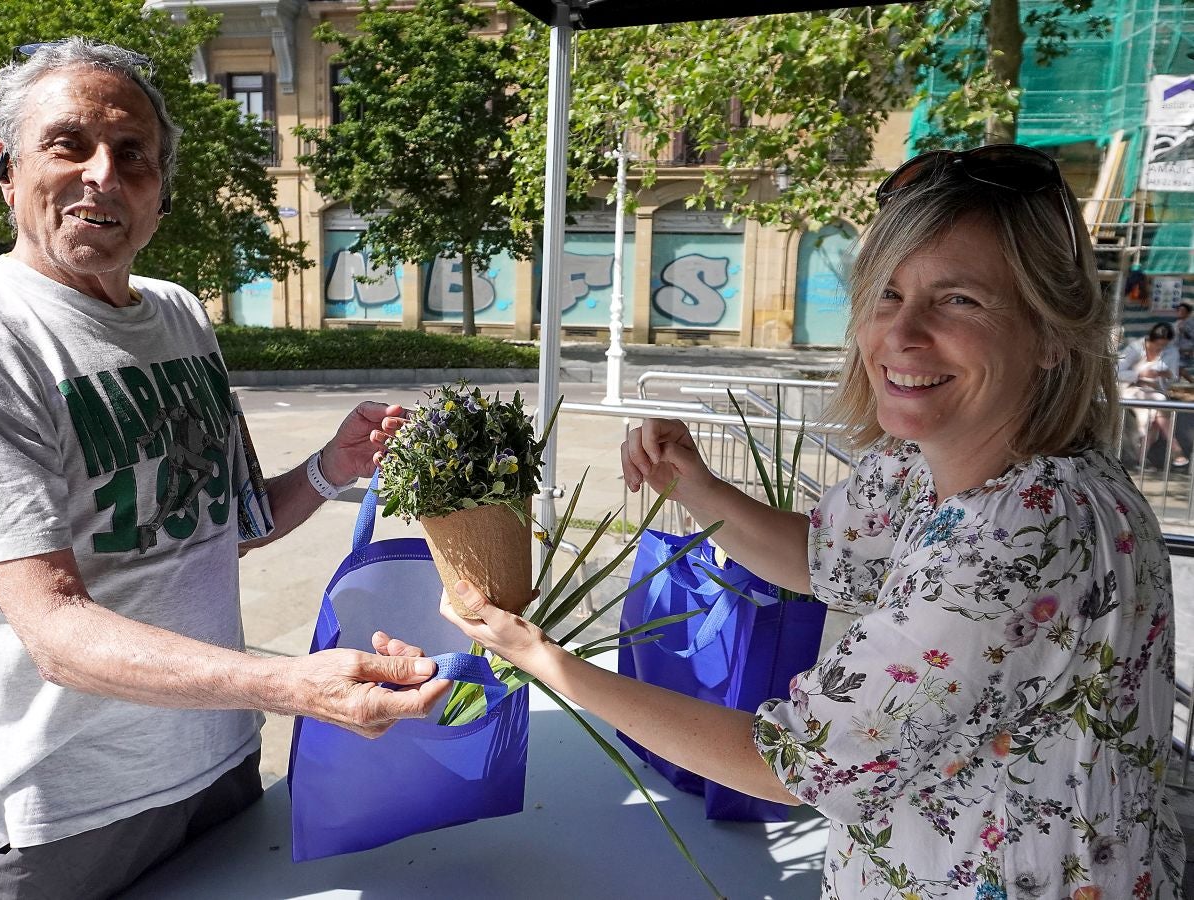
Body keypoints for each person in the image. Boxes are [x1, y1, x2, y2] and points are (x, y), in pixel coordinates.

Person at [437, 145, 1185, 898]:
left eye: (960, 300)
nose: (902, 334)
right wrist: (695, 487)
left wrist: (543, 659)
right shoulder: (937, 459)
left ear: (1054, 334)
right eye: (887, 295)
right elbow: (827, 557)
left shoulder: (1021, 528)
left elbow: (788, 763)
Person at [0, 38, 449, 900]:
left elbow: (233, 524)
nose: (103, 175)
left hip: (219, 764)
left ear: (159, 196)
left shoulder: (181, 315)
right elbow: (55, 630)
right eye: (68, 144)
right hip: (71, 807)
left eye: (134, 154)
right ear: (8, 170)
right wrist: (297, 686)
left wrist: (331, 467)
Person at [1118, 321, 1187, 467]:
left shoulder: (1171, 351)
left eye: (1164, 345)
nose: (1160, 348)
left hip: (1154, 390)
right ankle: (1175, 448)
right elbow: (1116, 371)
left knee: (1156, 411)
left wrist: (1163, 374)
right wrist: (1138, 374)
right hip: (1132, 390)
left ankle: (1141, 459)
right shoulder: (1135, 348)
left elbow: (1173, 376)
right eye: (1157, 344)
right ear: (1150, 339)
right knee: (1159, 402)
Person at [1175, 301, 1194, 381]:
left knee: (1178, 367)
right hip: (1179, 348)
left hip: (1186, 349)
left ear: (1188, 313)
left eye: (1182, 311)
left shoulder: (1190, 323)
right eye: (1179, 310)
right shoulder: (1179, 322)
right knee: (1177, 367)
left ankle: (1191, 381)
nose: (1180, 312)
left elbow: (1192, 336)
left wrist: (1184, 331)